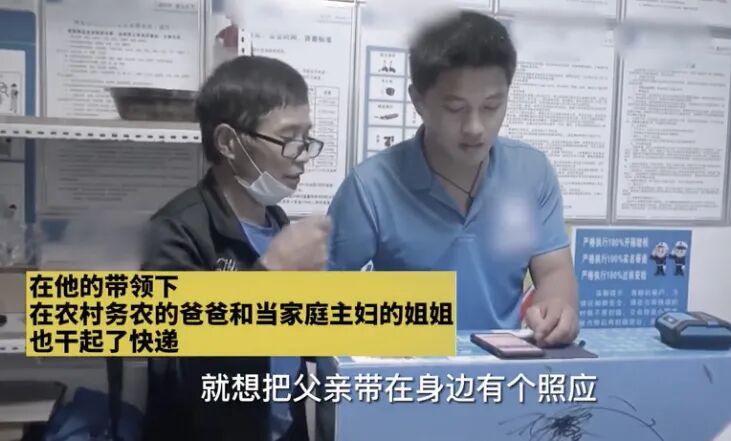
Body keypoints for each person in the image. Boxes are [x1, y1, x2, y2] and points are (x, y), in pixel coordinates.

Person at [327, 11, 578, 347]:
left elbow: (554, 272)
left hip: (502, 366)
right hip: (408, 369)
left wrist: (558, 308)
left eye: (491, 106)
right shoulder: (371, 187)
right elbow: (319, 301)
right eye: (455, 108)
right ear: (418, 101)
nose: (475, 127)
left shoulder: (532, 172)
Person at [140, 55, 329, 441]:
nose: (302, 155)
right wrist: (271, 273)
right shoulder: (176, 230)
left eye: (306, 138)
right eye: (288, 138)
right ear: (229, 142)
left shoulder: (276, 221)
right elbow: (181, 366)